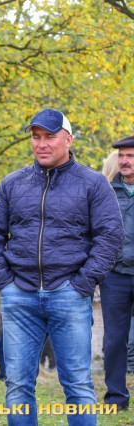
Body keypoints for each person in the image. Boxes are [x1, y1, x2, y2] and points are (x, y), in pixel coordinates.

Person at [0, 108, 124, 425]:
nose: (41, 144)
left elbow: (110, 236)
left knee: (78, 386)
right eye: (36, 137)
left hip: (69, 294)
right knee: (18, 386)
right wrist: (3, 281)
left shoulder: (94, 184)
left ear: (68, 139)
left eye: (49, 136)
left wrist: (83, 283)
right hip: (19, 296)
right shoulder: (12, 183)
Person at [101, 135, 134, 411]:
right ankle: (116, 398)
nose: (124, 161)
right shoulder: (106, 191)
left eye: (130, 156)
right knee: (114, 340)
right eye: (121, 156)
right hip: (114, 276)